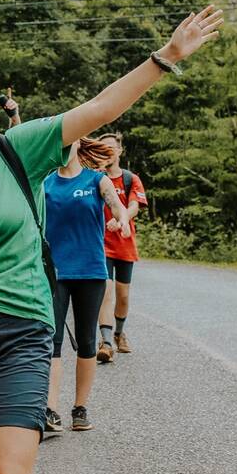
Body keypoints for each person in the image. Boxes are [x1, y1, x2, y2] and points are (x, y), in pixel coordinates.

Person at [0, 5, 222, 474]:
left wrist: (166, 57)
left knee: (9, 473)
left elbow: (100, 108)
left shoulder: (18, 147)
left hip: (22, 328)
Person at [43, 138, 130, 434]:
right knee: (52, 341)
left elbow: (117, 206)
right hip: (55, 273)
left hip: (90, 271)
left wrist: (122, 221)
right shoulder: (46, 184)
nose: (62, 147)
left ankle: (80, 409)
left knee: (86, 341)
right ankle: (50, 410)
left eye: (67, 142)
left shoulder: (96, 180)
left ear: (78, 145)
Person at [95, 132, 148, 362]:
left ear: (119, 151)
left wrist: (121, 219)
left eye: (111, 148)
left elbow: (135, 206)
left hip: (125, 244)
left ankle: (118, 333)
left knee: (123, 295)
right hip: (101, 244)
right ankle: (106, 341)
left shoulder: (130, 179)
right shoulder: (95, 178)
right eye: (102, 148)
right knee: (105, 291)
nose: (107, 152)